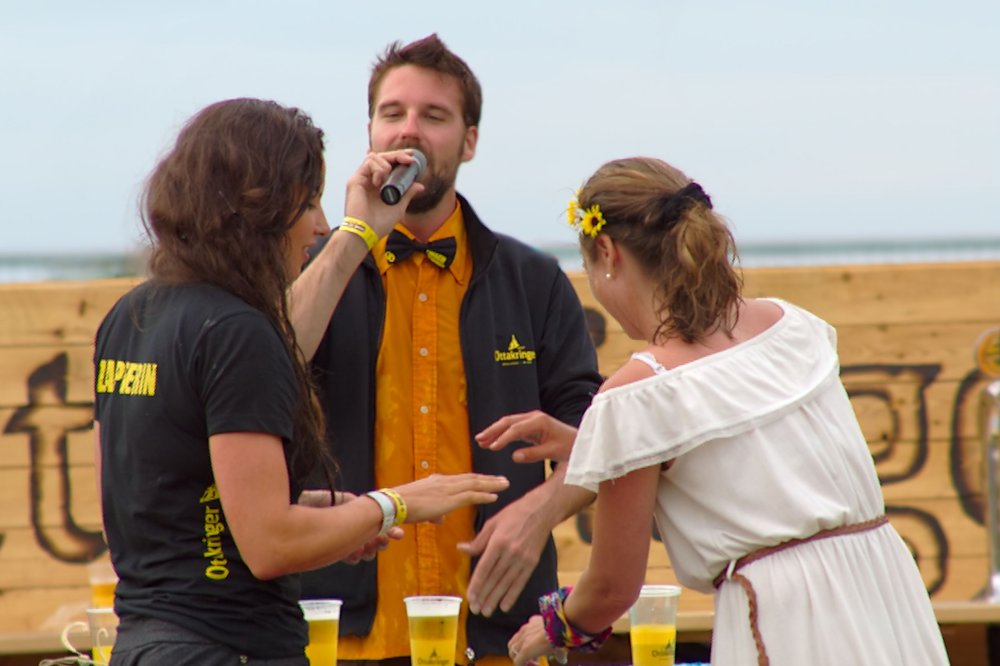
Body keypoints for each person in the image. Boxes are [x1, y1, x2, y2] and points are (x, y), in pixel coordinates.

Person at [483, 157, 951, 665]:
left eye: (588, 268)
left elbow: (612, 589)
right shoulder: (791, 327)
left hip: (788, 621)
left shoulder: (638, 394)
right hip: (887, 594)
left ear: (607, 252)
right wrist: (592, 444)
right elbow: (745, 455)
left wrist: (556, 626)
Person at [93, 98, 509, 665]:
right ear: (257, 208)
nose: (319, 225)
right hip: (229, 647)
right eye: (309, 202)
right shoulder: (235, 331)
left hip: (141, 644)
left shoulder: (128, 317)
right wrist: (397, 503)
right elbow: (270, 544)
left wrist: (310, 509)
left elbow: (156, 501)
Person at [296, 34, 602, 665]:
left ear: (469, 142)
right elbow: (265, 371)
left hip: (496, 634)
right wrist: (352, 238)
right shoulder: (310, 271)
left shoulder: (532, 279)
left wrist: (540, 512)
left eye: (433, 116)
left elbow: (602, 439)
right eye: (392, 113)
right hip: (343, 635)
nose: (408, 130)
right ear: (369, 133)